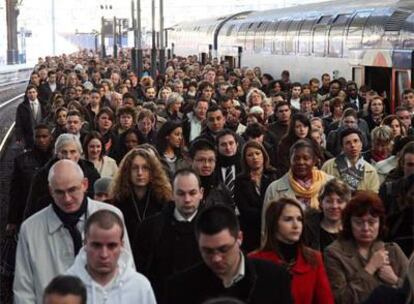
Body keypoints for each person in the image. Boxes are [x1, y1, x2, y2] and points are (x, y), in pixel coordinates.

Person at [13, 160, 131, 304]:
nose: (67, 199)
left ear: (85, 185)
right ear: (50, 191)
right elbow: (23, 289)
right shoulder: (30, 229)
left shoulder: (113, 216)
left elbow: (128, 271)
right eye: (59, 192)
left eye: (72, 190)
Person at [166, 204, 293, 304]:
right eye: (207, 251)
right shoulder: (181, 288)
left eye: (223, 249)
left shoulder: (275, 278)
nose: (216, 259)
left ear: (239, 238)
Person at [325, 191, 409, 304]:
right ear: (349, 223)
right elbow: (341, 299)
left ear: (380, 223)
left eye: (371, 222)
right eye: (359, 222)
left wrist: (395, 280)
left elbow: (412, 291)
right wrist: (370, 268)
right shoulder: (334, 253)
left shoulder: (392, 250)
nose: (365, 228)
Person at [134, 169, 204, 303]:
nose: (187, 199)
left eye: (192, 193)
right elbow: (140, 272)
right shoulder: (150, 228)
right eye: (181, 193)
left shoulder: (212, 227)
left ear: (201, 193)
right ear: (172, 194)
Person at [250, 198, 334, 304]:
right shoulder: (254, 261)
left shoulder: (313, 258)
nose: (296, 225)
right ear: (274, 224)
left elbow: (325, 300)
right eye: (288, 219)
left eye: (299, 219)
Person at [67, 210, 156, 304]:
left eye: (111, 246)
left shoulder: (140, 286)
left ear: (121, 246)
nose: (104, 254)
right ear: (85, 244)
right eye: (96, 245)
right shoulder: (65, 288)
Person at [264, 139, 333, 236]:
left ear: (314, 161)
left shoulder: (330, 183)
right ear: (290, 160)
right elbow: (267, 227)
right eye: (296, 158)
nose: (301, 162)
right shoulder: (274, 189)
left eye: (306, 158)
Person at [24, 134, 101, 219]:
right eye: (64, 152)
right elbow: (31, 207)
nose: (68, 156)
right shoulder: (42, 176)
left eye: (73, 151)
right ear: (57, 154)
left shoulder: (91, 173)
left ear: (80, 153)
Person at [110, 148, 172, 242]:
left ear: (152, 172)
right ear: (127, 172)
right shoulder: (118, 201)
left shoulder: (162, 200)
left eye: (145, 168)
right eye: (135, 168)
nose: (140, 173)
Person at [6, 124, 53, 231]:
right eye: (38, 137)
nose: (41, 140)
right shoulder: (21, 160)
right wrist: (12, 220)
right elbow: (15, 192)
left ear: (51, 137)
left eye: (44, 136)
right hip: (29, 211)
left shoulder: (57, 159)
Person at [234, 140, 277, 252]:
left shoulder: (273, 175)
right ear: (245, 159)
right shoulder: (240, 180)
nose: (255, 157)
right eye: (250, 155)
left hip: (272, 229)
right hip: (250, 230)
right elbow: (244, 208)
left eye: (257, 153)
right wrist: (265, 213)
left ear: (263, 155)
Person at [322, 128, 380, 192]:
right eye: (348, 143)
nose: (352, 145)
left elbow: (373, 197)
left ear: (361, 144)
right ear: (342, 147)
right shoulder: (328, 166)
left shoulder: (371, 171)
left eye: (356, 141)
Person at [303, 178, 351, 251]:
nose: (334, 206)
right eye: (329, 201)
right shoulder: (307, 228)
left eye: (340, 201)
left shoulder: (353, 229)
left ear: (347, 204)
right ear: (321, 202)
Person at [189, 138, 234, 208]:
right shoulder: (182, 185)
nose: (207, 165)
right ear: (191, 161)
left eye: (211, 160)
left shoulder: (222, 190)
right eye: (201, 160)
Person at [15, 85, 48, 149]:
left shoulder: (44, 104)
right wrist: (18, 136)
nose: (32, 94)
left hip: (43, 135)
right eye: (30, 92)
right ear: (27, 94)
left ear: (37, 93)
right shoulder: (21, 107)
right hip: (28, 136)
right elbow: (18, 122)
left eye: (33, 92)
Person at [216, 129, 242, 199]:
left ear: (237, 144)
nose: (228, 147)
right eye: (223, 144)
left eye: (231, 143)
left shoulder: (245, 164)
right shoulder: (213, 166)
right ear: (217, 147)